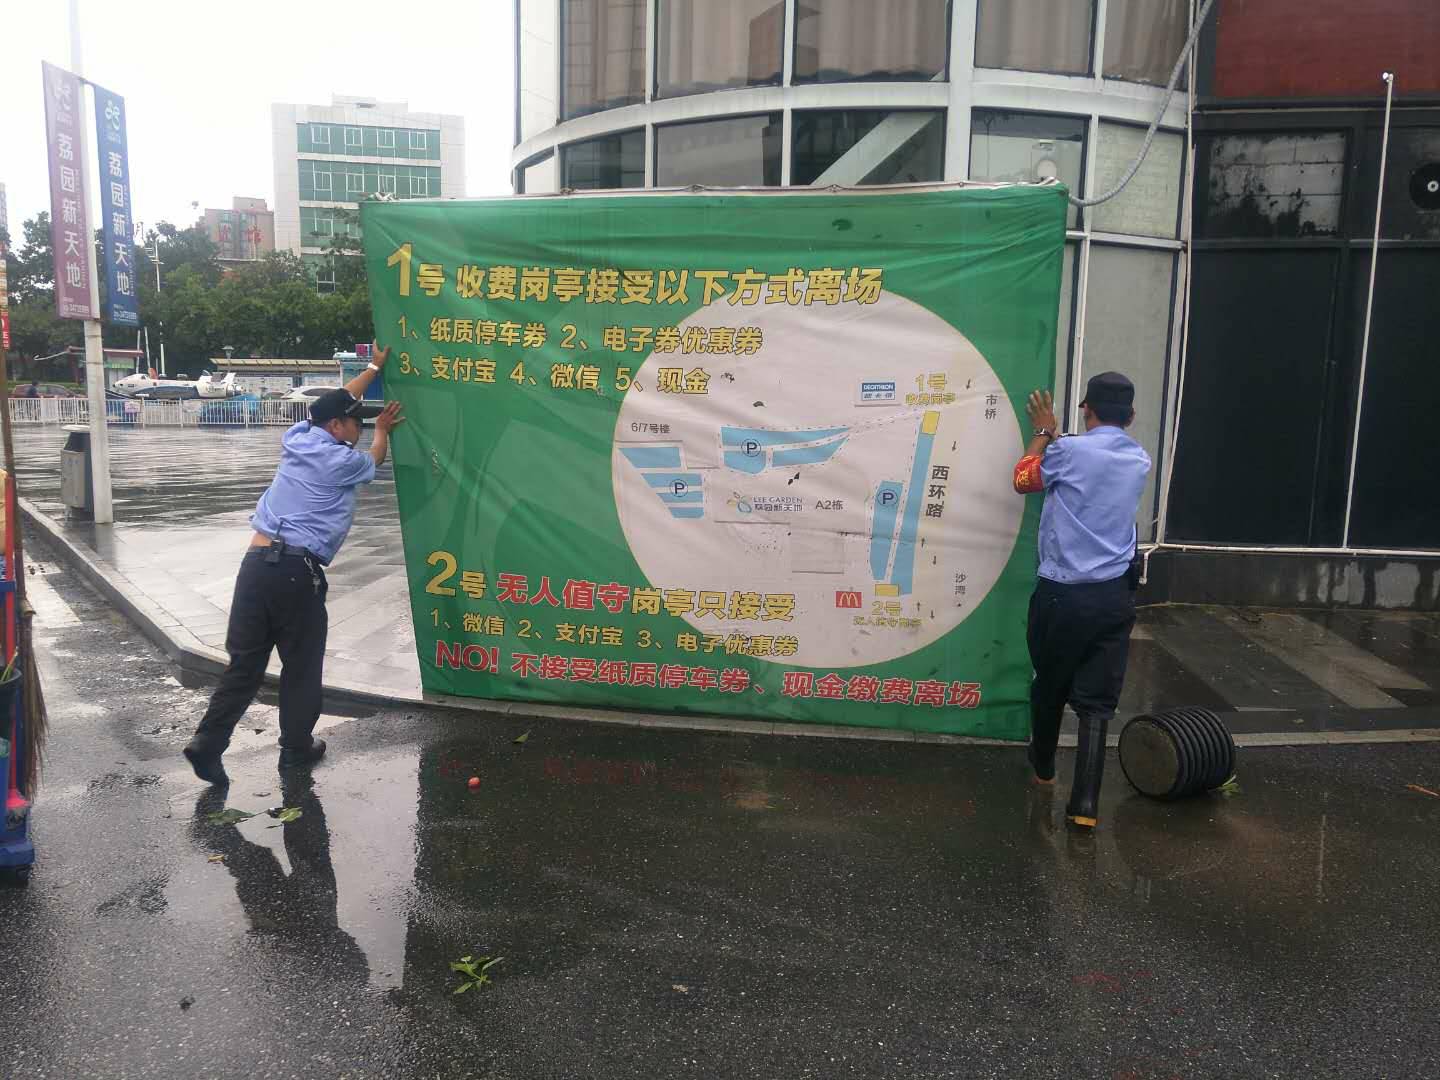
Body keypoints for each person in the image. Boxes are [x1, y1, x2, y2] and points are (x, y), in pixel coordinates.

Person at [183, 344, 404, 786]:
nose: (360, 429)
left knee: (244, 664)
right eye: (356, 423)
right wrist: (383, 431)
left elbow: (341, 396)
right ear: (336, 426)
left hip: (254, 566)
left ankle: (207, 742)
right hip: (294, 572)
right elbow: (375, 459)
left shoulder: (298, 437)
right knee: (301, 665)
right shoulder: (340, 460)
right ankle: (295, 749)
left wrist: (374, 367)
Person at [1011, 372, 1151, 829]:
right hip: (1114, 597)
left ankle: (1044, 770)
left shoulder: (1067, 453)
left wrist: (1042, 432)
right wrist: (1059, 440)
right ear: (1131, 416)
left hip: (1063, 596)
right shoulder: (1139, 459)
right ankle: (1085, 805)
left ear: (1086, 409)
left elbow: (1023, 478)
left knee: (1050, 684)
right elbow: (1089, 466)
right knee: (1097, 700)